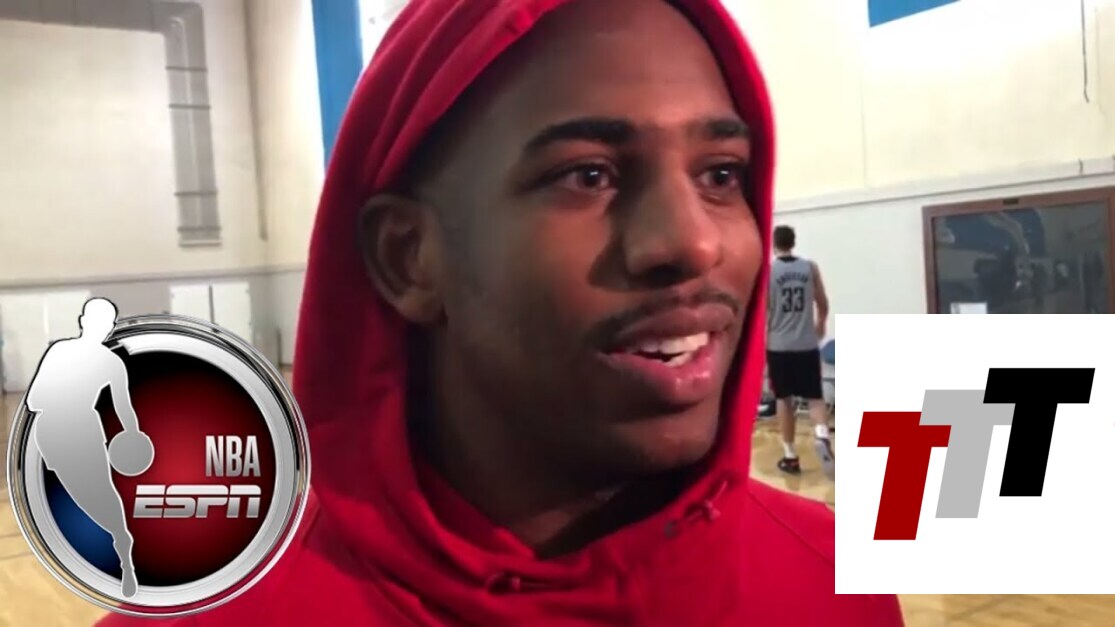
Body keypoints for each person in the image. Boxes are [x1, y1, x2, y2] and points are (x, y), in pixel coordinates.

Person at [100, 0, 902, 624]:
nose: (692, 242)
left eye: (720, 173)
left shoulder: (829, 580)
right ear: (408, 257)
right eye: (587, 174)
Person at [28, 298, 148, 598]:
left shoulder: (103, 361)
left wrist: (133, 434)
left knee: (98, 493)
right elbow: (34, 399)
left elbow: (124, 409)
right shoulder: (69, 353)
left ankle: (121, 547)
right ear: (87, 322)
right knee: (90, 496)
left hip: (77, 430)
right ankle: (118, 539)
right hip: (59, 430)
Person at [766, 225, 835, 479]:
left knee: (784, 399)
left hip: (779, 345)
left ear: (774, 244)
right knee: (814, 397)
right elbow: (822, 302)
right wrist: (821, 323)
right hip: (806, 343)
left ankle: (790, 456)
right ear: (793, 242)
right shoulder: (810, 267)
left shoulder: (768, 272)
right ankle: (821, 434)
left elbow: (762, 310)